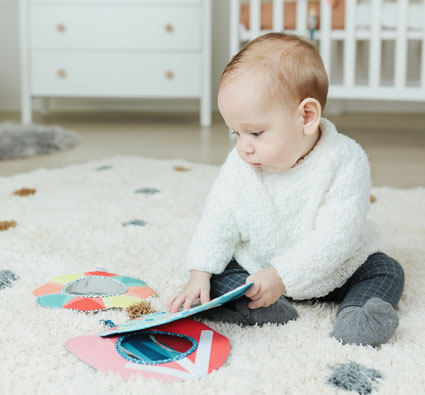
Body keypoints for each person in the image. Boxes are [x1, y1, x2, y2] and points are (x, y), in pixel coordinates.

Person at [167, 32, 404, 347]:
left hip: (334, 269)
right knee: (220, 273)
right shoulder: (241, 165)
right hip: (259, 269)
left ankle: (357, 317)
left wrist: (283, 276)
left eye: (254, 132)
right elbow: (218, 218)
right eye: (235, 133)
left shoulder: (345, 160)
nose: (243, 148)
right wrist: (199, 272)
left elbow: (336, 238)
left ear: (306, 117)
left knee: (386, 270)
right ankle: (260, 308)